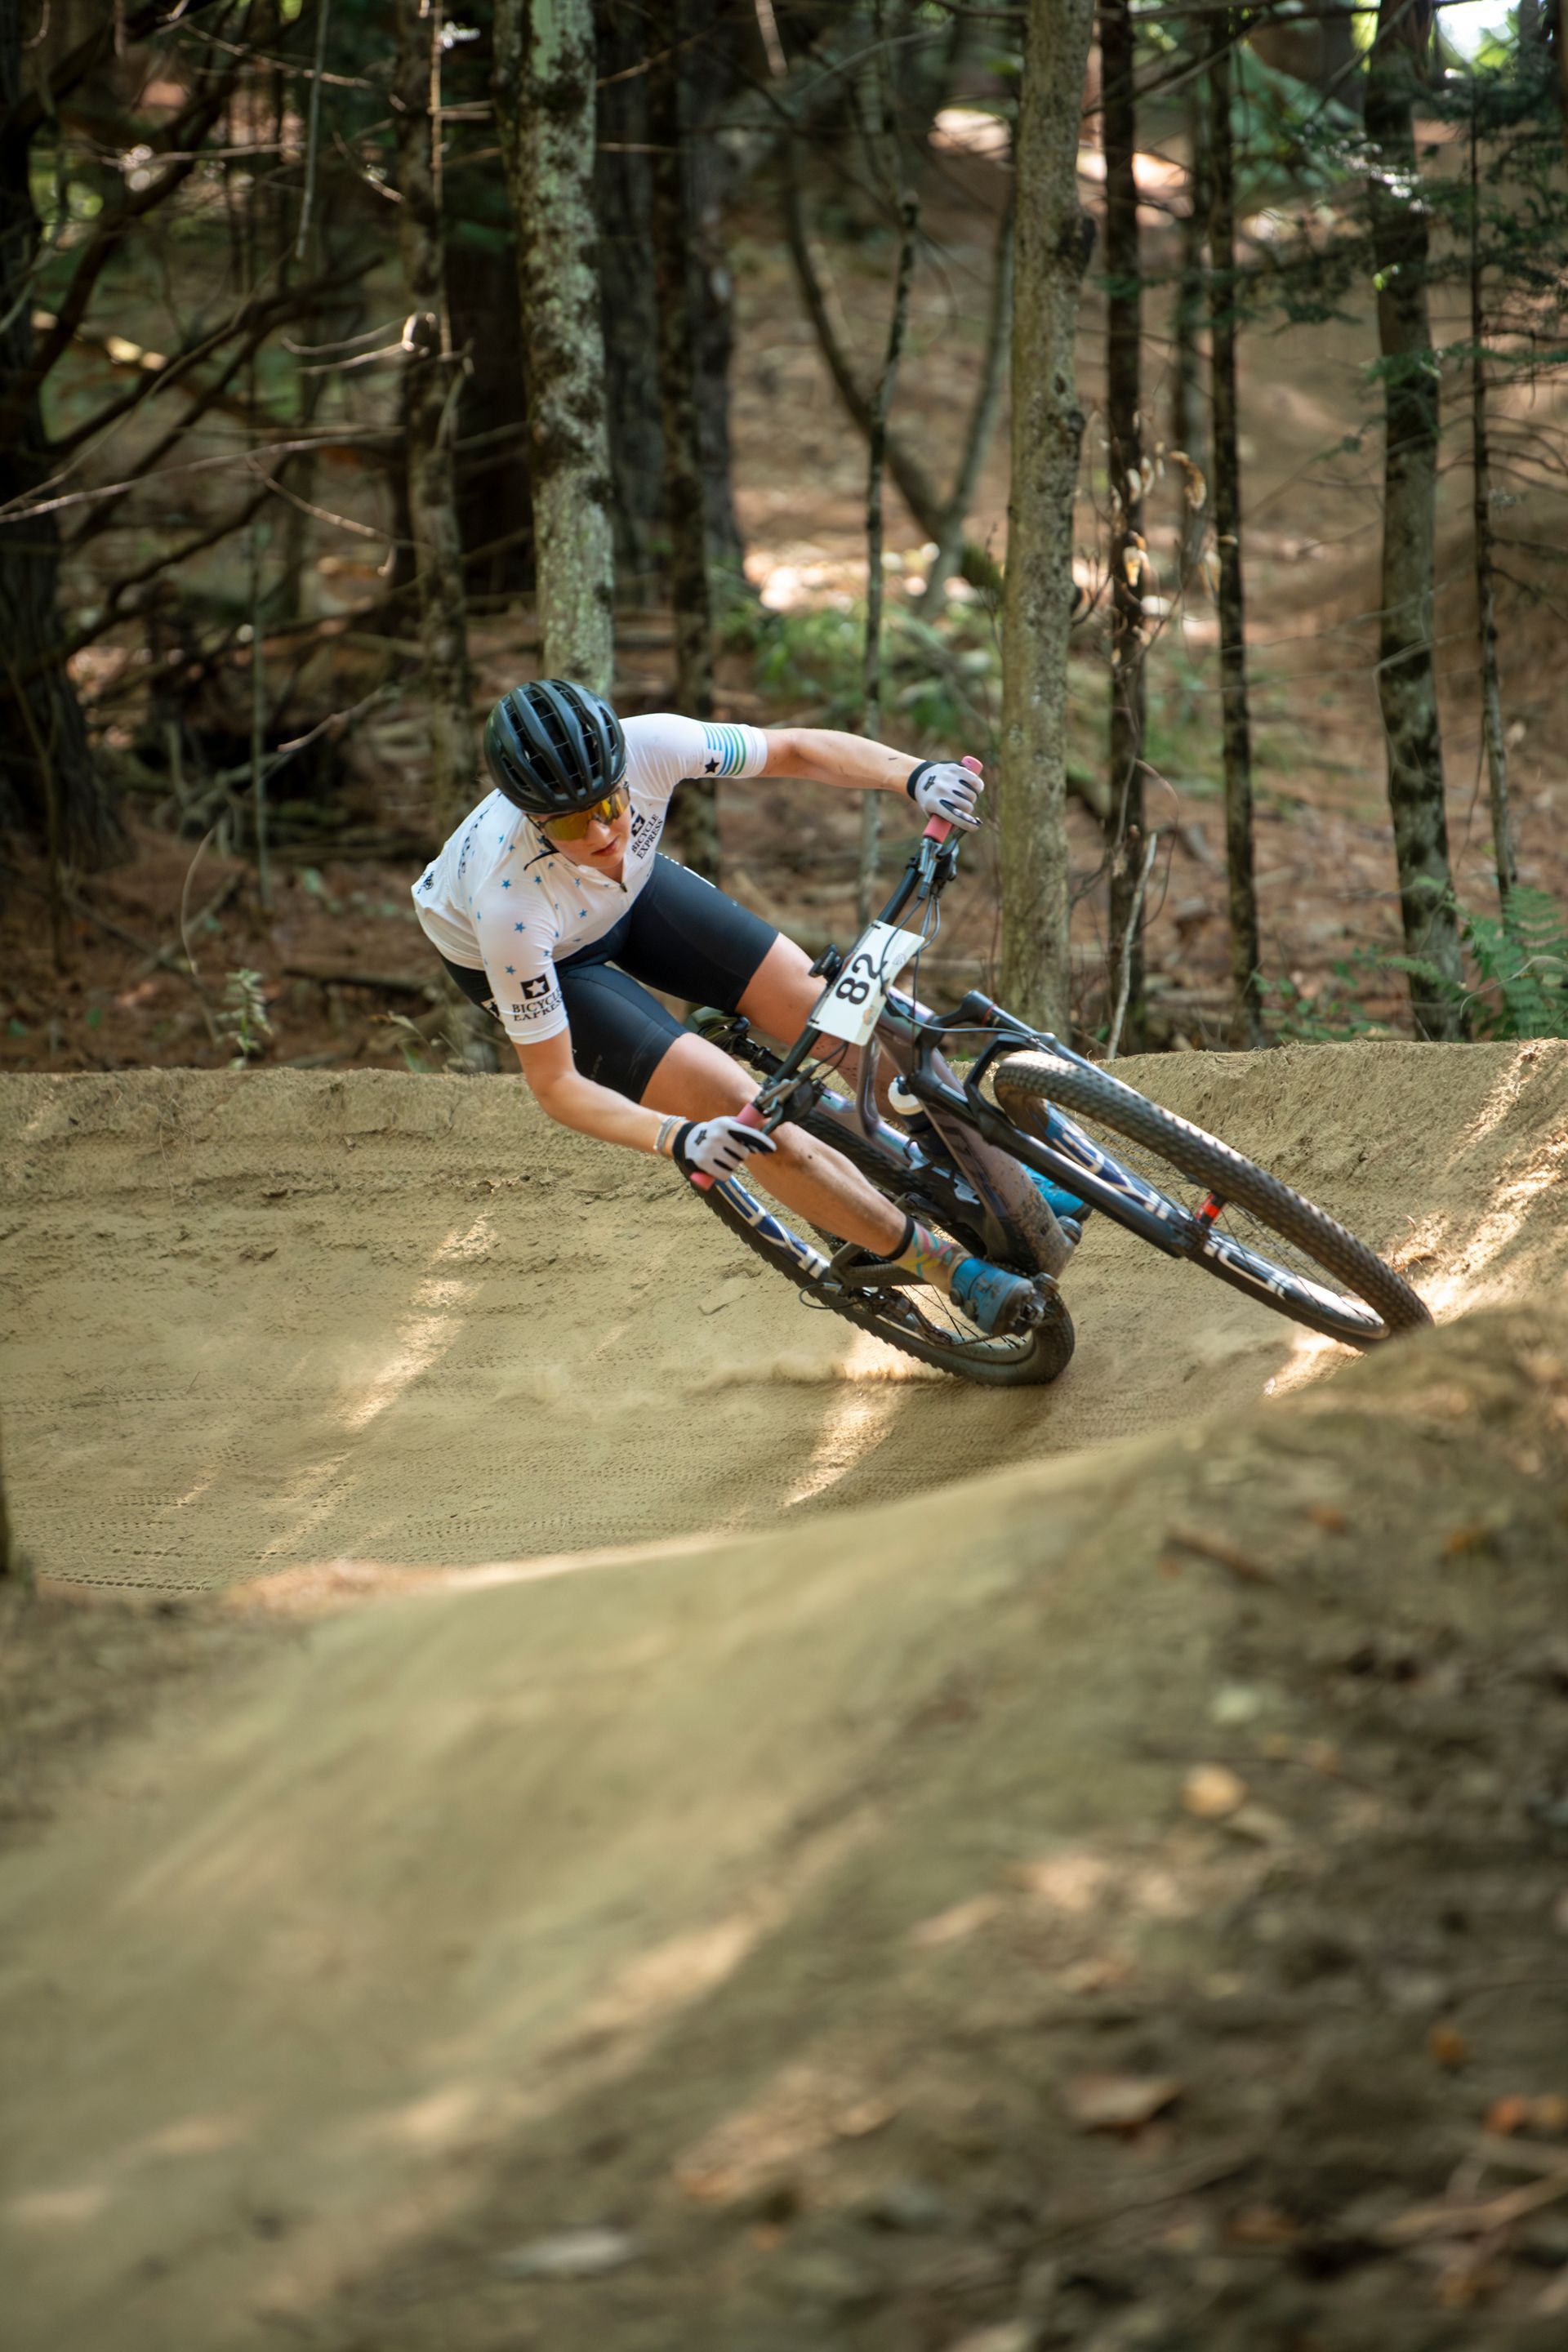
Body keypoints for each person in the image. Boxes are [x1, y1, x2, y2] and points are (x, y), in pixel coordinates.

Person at [412, 678, 1079, 1336]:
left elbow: (792, 750)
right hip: (552, 954)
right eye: (569, 821)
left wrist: (915, 776)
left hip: (632, 897)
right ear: (532, 819)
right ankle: (946, 1268)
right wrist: (678, 1136)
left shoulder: (654, 744)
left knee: (841, 1015)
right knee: (739, 1111)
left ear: (622, 767)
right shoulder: (506, 905)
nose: (602, 831)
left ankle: (994, 1179)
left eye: (611, 804)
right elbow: (554, 1085)